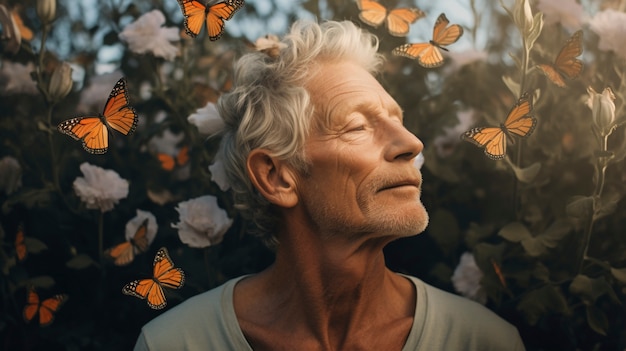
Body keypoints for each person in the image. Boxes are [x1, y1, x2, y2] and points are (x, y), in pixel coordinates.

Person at [133, 19, 525, 351]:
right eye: (357, 126)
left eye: (398, 120)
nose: (411, 144)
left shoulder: (486, 341)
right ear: (276, 177)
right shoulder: (174, 343)